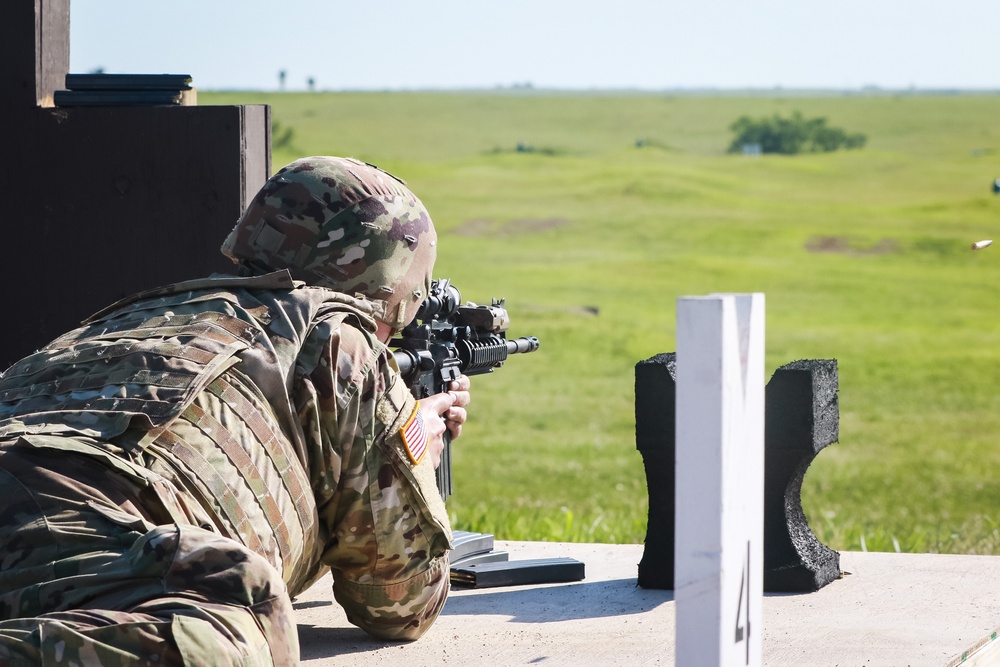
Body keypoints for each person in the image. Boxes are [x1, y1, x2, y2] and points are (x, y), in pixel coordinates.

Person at [0, 156, 470, 665]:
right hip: (88, 521)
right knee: (232, 624)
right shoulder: (339, 344)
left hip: (50, 507)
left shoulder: (139, 312)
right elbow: (397, 605)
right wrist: (411, 444)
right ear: (392, 291)